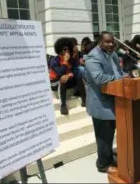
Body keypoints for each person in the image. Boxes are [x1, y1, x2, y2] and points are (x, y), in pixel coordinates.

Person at [85, 31, 124, 174]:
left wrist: (127, 76)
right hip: (100, 104)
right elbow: (100, 78)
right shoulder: (92, 57)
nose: (111, 44)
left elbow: (118, 72)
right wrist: (120, 79)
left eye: (112, 41)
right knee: (103, 136)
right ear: (100, 42)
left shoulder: (112, 54)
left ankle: (108, 156)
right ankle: (103, 165)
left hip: (114, 100)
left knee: (110, 134)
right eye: (107, 41)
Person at [50, 37, 86, 115]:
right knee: (62, 79)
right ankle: (63, 105)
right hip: (56, 83)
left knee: (79, 77)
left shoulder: (72, 59)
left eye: (68, 50)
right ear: (59, 51)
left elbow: (76, 71)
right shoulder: (54, 60)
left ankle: (84, 100)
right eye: (64, 50)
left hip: (67, 80)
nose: (67, 52)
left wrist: (69, 75)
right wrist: (65, 61)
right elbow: (60, 73)